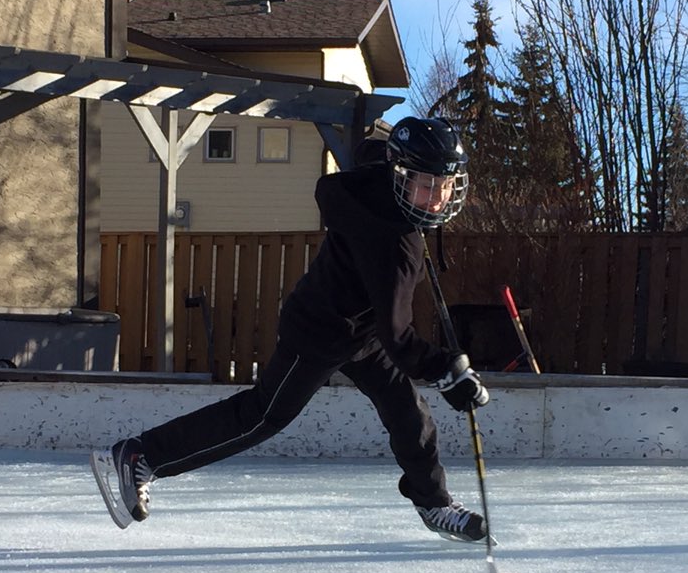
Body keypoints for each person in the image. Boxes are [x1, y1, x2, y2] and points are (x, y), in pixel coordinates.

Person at [91, 116, 490, 541]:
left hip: (361, 332)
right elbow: (399, 338)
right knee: (262, 416)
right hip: (320, 329)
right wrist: (449, 372)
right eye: (426, 185)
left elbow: (368, 152)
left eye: (445, 185)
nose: (437, 199)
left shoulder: (373, 182)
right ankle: (141, 454)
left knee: (410, 414)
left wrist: (383, 145)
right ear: (401, 175)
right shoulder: (394, 243)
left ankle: (433, 503)